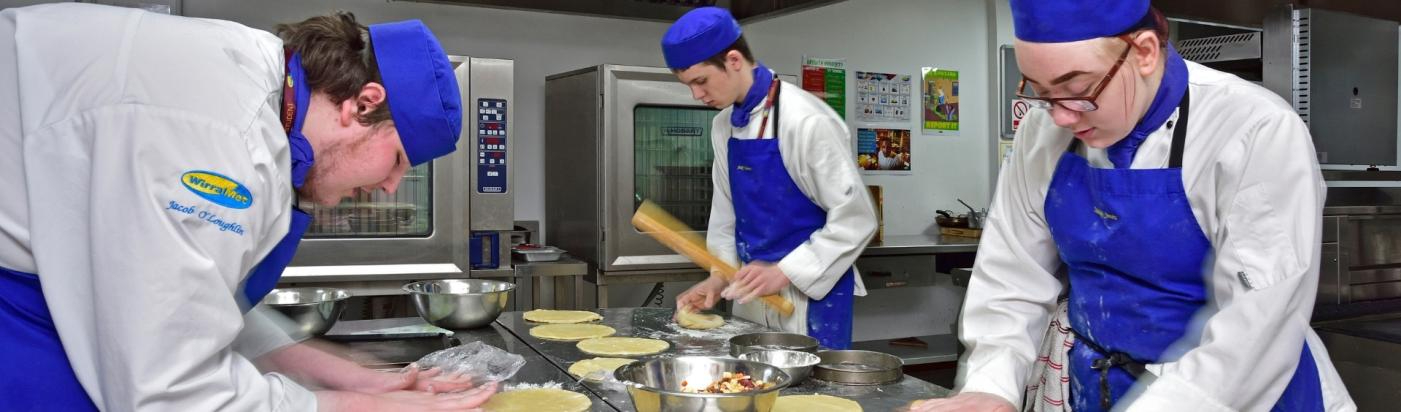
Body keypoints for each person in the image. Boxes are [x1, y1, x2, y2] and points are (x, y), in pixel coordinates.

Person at [0, 4, 496, 410]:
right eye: (395, 160)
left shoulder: (258, 93)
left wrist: (354, 378)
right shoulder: (217, 134)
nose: (390, 187)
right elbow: (168, 392)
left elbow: (193, 303)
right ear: (362, 104)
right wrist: (346, 407)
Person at [913, 1, 1354, 411]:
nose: (1061, 117)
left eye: (1078, 90)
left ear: (1143, 52)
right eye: (1042, 93)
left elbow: (1257, 326)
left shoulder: (1254, 130)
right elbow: (1011, 277)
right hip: (1098, 386)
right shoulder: (1041, 132)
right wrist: (991, 388)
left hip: (1236, 395)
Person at [662, 7, 877, 350]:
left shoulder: (807, 121)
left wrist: (785, 272)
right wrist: (719, 277)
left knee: (808, 398)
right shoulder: (724, 126)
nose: (697, 96)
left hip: (808, 294)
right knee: (747, 385)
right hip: (749, 290)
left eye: (700, 81)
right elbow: (725, 213)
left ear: (733, 60)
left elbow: (856, 219)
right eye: (688, 86)